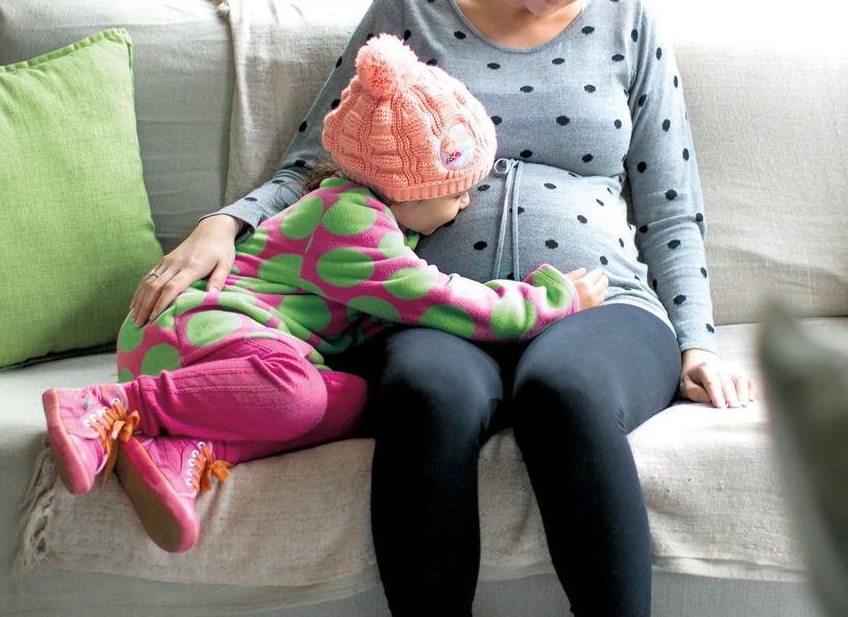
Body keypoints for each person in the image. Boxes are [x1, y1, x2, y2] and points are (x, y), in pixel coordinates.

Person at [131, 0, 756, 615]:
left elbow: (671, 207)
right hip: (429, 309)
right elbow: (319, 160)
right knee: (429, 396)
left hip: (599, 305)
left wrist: (698, 340)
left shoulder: (630, 27)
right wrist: (227, 220)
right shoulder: (409, 12)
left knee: (561, 393)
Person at [43, 33, 607, 554]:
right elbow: (442, 300)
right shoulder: (351, 224)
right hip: (195, 327)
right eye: (459, 189)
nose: (466, 204)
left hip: (222, 346)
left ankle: (184, 449)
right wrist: (551, 298)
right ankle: (118, 406)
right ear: (405, 188)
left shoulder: (367, 211)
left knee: (357, 401)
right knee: (299, 394)